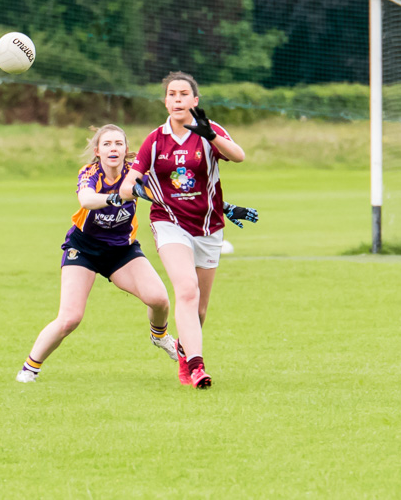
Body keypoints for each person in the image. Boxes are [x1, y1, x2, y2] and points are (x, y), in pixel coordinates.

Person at [121, 71, 257, 390]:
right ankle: (197, 367)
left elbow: (239, 156)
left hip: (208, 227)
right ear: (165, 101)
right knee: (185, 289)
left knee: (199, 309)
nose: (177, 99)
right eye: (172, 94)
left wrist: (212, 136)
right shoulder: (156, 140)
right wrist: (135, 188)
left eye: (184, 94)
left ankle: (185, 351)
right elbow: (130, 182)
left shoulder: (209, 132)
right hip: (169, 223)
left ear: (195, 101)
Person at [15, 124, 177, 383]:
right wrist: (115, 198)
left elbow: (170, 195)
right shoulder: (90, 172)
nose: (113, 148)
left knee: (160, 300)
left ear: (126, 149)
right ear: (97, 150)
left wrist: (218, 207)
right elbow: (87, 200)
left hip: (122, 251)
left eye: (118, 144)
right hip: (84, 249)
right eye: (107, 144)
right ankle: (29, 368)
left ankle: (159, 336)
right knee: (70, 318)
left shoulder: (134, 174)